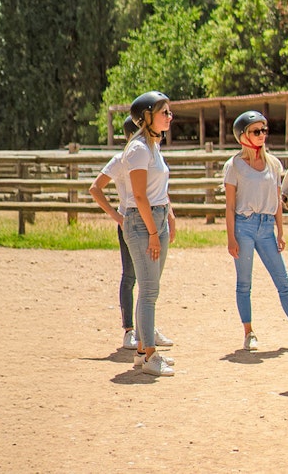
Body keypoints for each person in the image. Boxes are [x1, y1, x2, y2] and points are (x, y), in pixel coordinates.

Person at [223, 111, 288, 352]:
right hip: (243, 226)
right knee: (244, 284)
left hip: (266, 227)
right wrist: (231, 237)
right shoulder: (234, 166)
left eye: (264, 131)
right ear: (243, 135)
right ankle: (249, 333)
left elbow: (278, 201)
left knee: (283, 281)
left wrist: (280, 231)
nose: (262, 135)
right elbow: (229, 206)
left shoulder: (274, 164)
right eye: (256, 131)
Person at [88, 115, 174, 353]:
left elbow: (158, 189)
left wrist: (169, 215)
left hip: (151, 218)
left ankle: (147, 328)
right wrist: (118, 217)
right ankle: (129, 330)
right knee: (131, 276)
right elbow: (95, 188)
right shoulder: (122, 158)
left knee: (150, 280)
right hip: (133, 221)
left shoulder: (152, 152)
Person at [123, 91, 178, 376]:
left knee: (150, 289)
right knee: (148, 291)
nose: (170, 117)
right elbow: (140, 196)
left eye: (169, 112)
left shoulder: (154, 147)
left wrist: (168, 213)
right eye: (164, 112)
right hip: (142, 222)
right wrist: (154, 232)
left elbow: (159, 191)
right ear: (146, 117)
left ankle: (144, 352)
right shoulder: (139, 149)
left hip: (156, 218)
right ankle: (150, 356)